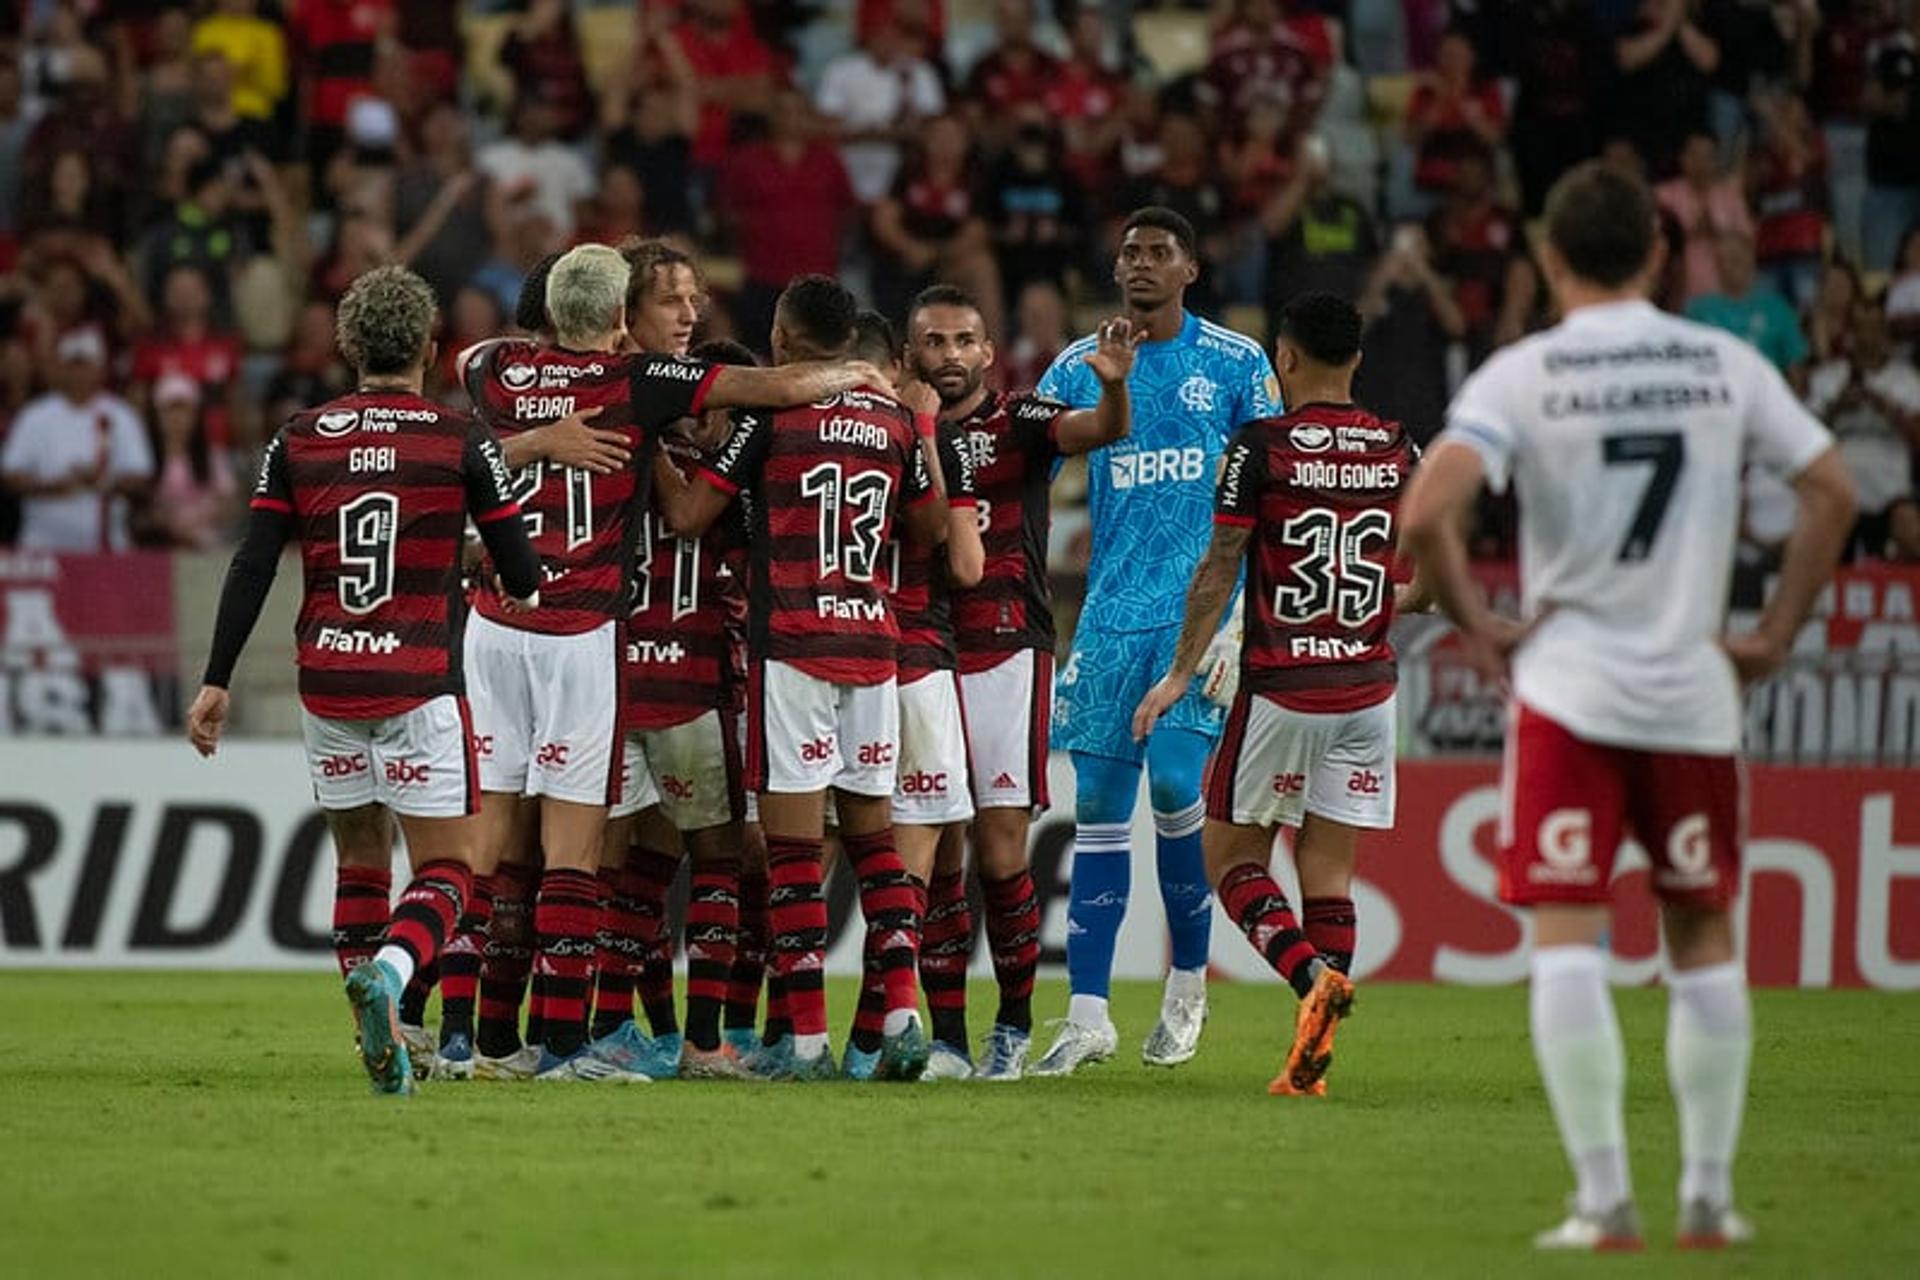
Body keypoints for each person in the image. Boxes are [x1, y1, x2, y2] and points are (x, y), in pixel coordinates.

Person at [1400, 161, 1854, 1251]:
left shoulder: (1524, 374)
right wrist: (1774, 636)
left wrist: (1477, 623)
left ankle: (1604, 1199)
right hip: (1693, 690)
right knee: (1702, 935)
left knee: (1569, 941)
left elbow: (1426, 515)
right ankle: (1708, 1192)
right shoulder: (1724, 361)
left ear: (1549, 257)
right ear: (1660, 251)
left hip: (1571, 689)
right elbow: (1833, 490)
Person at [456, 248, 884, 1082]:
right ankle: (629, 1040)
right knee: (648, 859)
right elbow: (762, 411)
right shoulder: (649, 391)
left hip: (519, 630)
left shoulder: (507, 368)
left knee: (543, 856)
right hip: (619, 656)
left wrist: (533, 438)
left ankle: (491, 1034)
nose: (689, 313)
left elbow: (468, 371)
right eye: (670, 300)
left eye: (695, 300)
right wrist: (860, 375)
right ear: (623, 313)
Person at [184, 264, 543, 1095]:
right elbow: (522, 574)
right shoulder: (459, 439)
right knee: (451, 871)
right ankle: (388, 979)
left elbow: (252, 563)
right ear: (429, 345)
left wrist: (216, 680)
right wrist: (484, 558)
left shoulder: (299, 437)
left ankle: (376, 1045)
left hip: (329, 680)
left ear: (348, 347)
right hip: (417, 681)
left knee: (358, 862)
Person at [652, 275, 949, 1082]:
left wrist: (646, 444)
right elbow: (925, 532)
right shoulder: (891, 417)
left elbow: (687, 518)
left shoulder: (767, 416)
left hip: (792, 644)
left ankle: (810, 1044)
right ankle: (902, 1013)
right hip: (875, 648)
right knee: (875, 844)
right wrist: (922, 435)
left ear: (782, 342)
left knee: (790, 854)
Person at [1133, 292, 1426, 1095]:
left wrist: (1181, 672)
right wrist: (1381, 602)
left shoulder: (1260, 446)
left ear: (1284, 359)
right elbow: (1429, 571)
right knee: (1327, 872)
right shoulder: (1399, 448)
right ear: (1357, 361)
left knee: (1229, 856)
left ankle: (1310, 981)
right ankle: (1309, 1059)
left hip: (1286, 687)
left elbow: (1221, 562)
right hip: (1368, 689)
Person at [1031, 207, 1281, 1078]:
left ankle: (1186, 986)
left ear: (1190, 268)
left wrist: (1247, 616)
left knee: (1177, 784)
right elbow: (1022, 462)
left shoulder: (1238, 363)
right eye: (1128, 251)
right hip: (1108, 617)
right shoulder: (1077, 364)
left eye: (1158, 252)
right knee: (1097, 811)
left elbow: (1272, 494)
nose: (1139, 263)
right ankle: (1090, 1013)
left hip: (1203, 618)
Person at [904, 284, 1134, 1079]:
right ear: (911, 356)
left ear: (987, 353)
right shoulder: (901, 429)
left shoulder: (1021, 421)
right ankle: (945, 1038)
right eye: (933, 342)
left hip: (1006, 646)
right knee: (936, 856)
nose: (950, 356)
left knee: (1001, 852)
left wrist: (1111, 384)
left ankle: (1010, 1024)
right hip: (922, 650)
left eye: (964, 340)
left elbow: (1102, 429)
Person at [1, 326, 151, 552]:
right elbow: (10, 474)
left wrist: (101, 481)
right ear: (60, 368)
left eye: (85, 365)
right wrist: (52, 486)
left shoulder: (120, 415)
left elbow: (140, 474)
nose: (79, 373)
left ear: (100, 369)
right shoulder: (36, 415)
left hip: (106, 544)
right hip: (42, 542)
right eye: (73, 365)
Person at [1806, 293, 1920, 560]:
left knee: (1908, 523)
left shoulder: (1907, 380)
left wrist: (1891, 412)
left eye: (1875, 327)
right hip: (1841, 493)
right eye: (1860, 327)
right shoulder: (1828, 377)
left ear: (1885, 333)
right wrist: (1837, 409)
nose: (1868, 335)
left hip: (1891, 495)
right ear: (1849, 333)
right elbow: (1804, 442)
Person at [1685, 229, 1809, 377]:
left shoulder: (1777, 308)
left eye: (1736, 259)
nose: (1729, 267)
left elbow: (1796, 368)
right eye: (1723, 261)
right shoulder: (1698, 311)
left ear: (1751, 259)